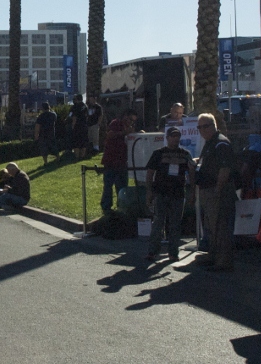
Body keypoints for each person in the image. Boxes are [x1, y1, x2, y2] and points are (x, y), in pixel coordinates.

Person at [194, 114, 237, 272]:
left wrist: (218, 190)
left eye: (205, 126)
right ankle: (213, 255)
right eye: (199, 127)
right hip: (208, 190)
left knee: (221, 227)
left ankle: (223, 261)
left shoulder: (221, 143)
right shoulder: (210, 143)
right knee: (211, 226)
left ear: (214, 125)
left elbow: (225, 169)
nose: (202, 130)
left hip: (218, 190)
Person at [145, 126, 194, 262]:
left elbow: (191, 173)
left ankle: (173, 253)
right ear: (167, 138)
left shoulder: (185, 154)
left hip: (178, 194)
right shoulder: (158, 153)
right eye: (173, 136)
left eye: (178, 136)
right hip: (161, 193)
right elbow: (150, 173)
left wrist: (192, 192)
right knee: (158, 223)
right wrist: (149, 191)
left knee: (175, 225)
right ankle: (152, 251)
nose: (175, 139)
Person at [100, 111, 135, 213]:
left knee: (122, 187)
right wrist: (124, 132)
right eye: (130, 119)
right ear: (125, 116)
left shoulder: (129, 128)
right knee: (108, 186)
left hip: (122, 161)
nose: (131, 122)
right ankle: (106, 207)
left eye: (133, 121)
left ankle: (121, 205)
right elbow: (110, 135)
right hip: (111, 160)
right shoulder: (115, 123)